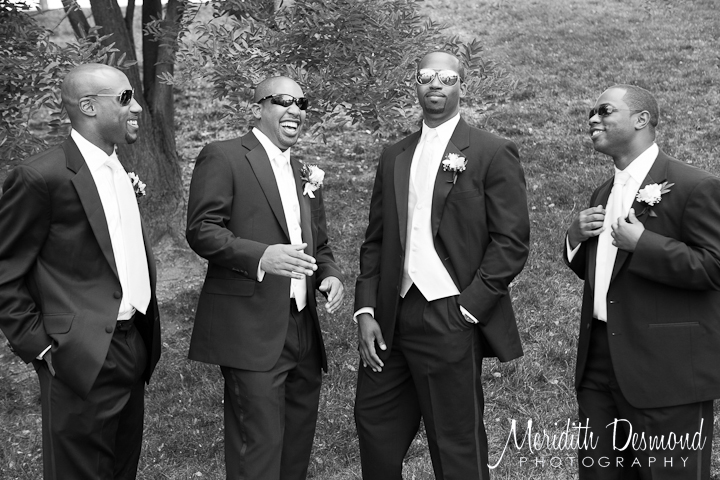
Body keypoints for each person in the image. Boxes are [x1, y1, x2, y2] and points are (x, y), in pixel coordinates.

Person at [354, 51, 530, 480]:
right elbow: (376, 239)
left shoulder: (491, 151)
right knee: (374, 427)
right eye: (426, 76)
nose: (436, 83)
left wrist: (469, 307)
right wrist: (366, 309)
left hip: (450, 315)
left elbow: (511, 242)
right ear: (414, 84)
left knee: (455, 442)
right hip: (391, 316)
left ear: (461, 87)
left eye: (447, 78)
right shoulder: (394, 154)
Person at [0, 63, 161, 479]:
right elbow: (5, 270)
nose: (137, 107)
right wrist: (41, 347)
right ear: (88, 106)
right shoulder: (41, 177)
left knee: (122, 468)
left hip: (133, 345)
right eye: (125, 98)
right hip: (76, 356)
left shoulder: (119, 168)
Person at [186, 76, 344, 480]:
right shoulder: (223, 156)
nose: (295, 110)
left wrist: (327, 275)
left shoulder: (304, 170)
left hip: (303, 328)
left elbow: (318, 242)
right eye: (283, 100)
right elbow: (202, 229)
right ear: (257, 108)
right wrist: (261, 256)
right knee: (257, 450)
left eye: (302, 103)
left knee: (296, 448)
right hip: (250, 328)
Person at [564, 84, 720, 479]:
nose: (593, 118)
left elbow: (713, 267)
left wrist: (644, 244)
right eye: (590, 113)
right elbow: (606, 275)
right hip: (599, 362)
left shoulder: (694, 185)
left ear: (641, 119)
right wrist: (574, 239)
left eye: (604, 110)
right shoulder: (603, 192)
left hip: (665, 371)